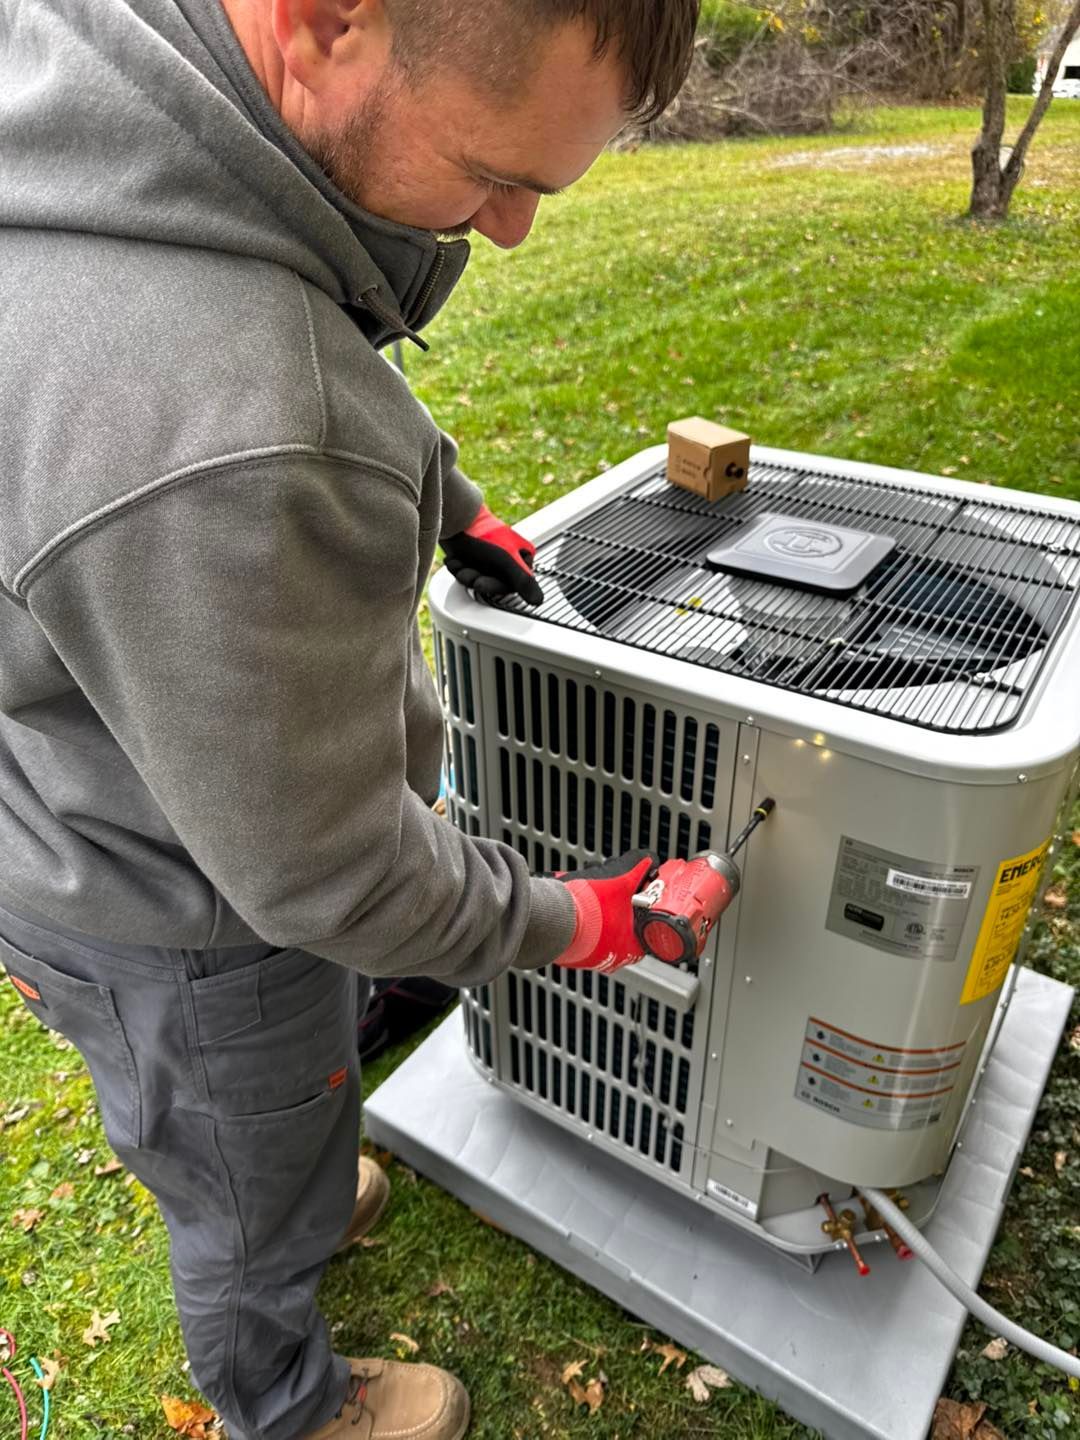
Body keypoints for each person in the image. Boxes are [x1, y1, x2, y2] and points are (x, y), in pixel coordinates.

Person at [0, 2, 698, 1437]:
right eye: (497, 174)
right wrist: (591, 924)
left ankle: (290, 1157)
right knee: (238, 1184)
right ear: (324, 26)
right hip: (170, 905)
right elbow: (329, 876)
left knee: (269, 1113)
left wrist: (445, 496)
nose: (507, 231)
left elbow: (311, 308)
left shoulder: (113, 93)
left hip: (66, 779)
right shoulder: (224, 427)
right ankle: (291, 1395)